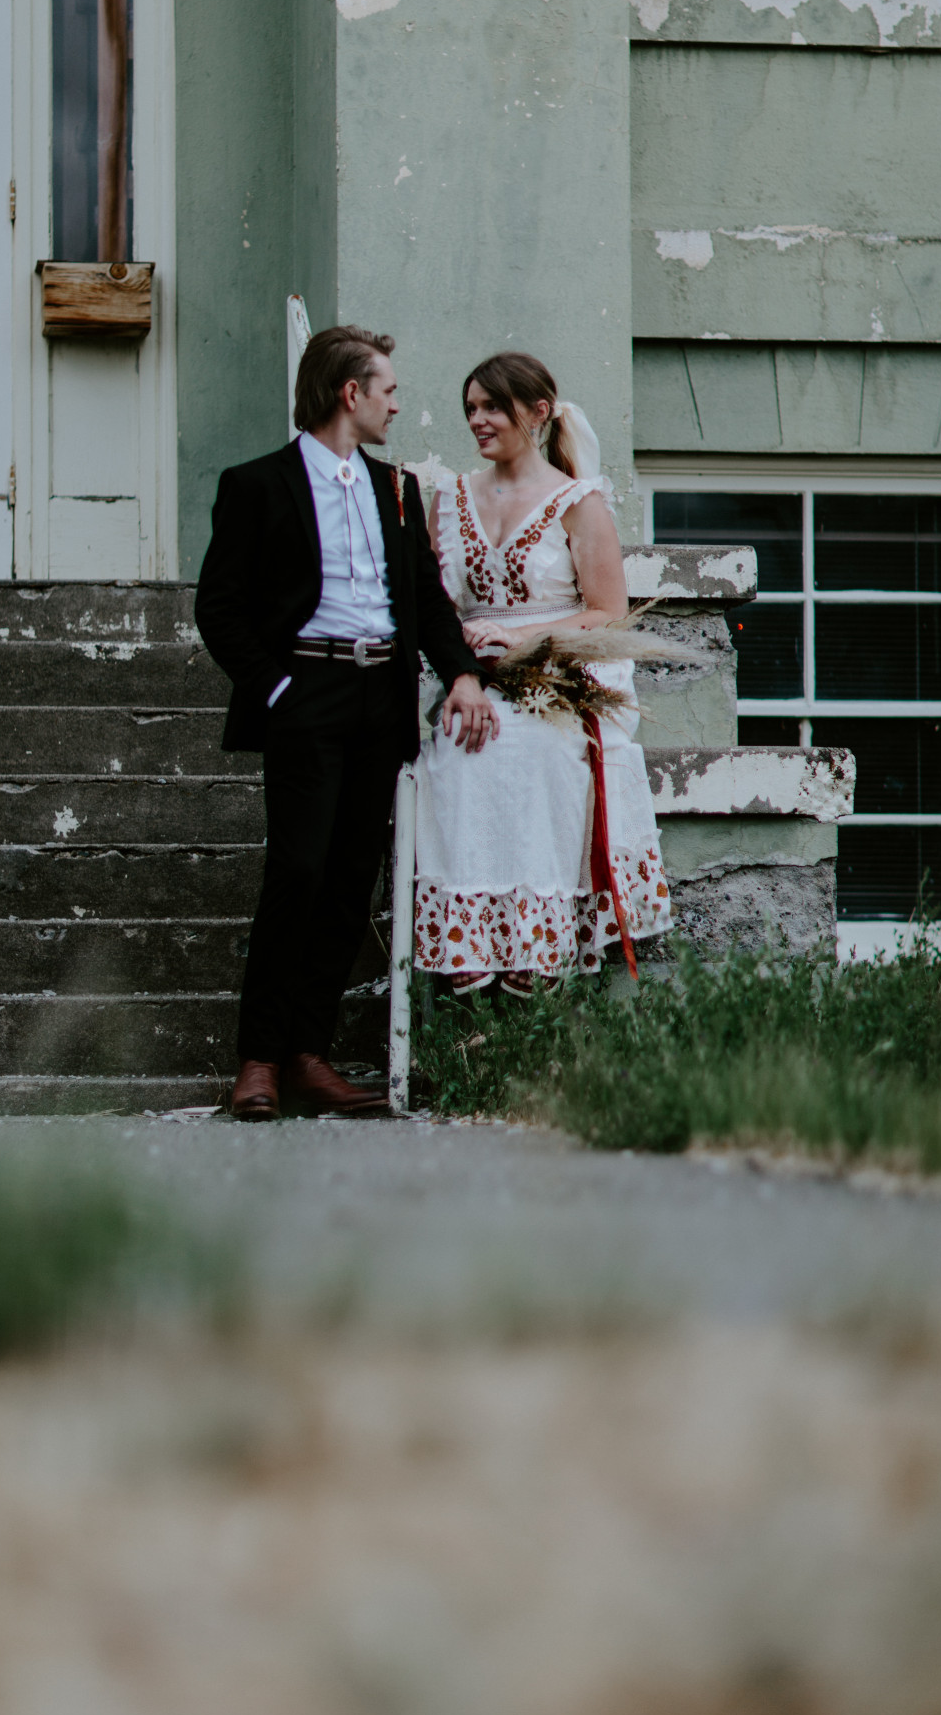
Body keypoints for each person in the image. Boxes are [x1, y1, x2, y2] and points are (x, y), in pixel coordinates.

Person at [195, 325, 497, 1121]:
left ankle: (307, 1055)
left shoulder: (396, 488)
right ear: (347, 394)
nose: (398, 402)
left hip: (379, 699)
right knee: (295, 873)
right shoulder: (257, 485)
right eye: (387, 388)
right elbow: (219, 609)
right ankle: (256, 1060)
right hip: (308, 692)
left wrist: (462, 672)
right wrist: (276, 688)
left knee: (347, 883)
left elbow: (427, 600)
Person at [414, 353, 672, 992]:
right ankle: (468, 942)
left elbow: (609, 611)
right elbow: (432, 602)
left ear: (538, 412)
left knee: (537, 749)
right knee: (456, 748)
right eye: (470, 408)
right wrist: (462, 660)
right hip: (470, 670)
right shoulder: (449, 498)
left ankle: (537, 942)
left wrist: (522, 636)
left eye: (492, 406)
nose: (478, 420)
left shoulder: (576, 502)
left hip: (558, 665)